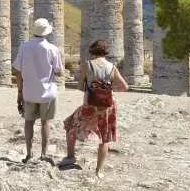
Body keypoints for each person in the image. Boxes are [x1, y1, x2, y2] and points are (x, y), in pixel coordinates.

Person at [60, 39, 128, 179]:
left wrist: (91, 90)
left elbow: (79, 86)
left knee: (71, 125)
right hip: (108, 105)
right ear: (106, 51)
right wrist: (109, 90)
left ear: (93, 51)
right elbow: (125, 87)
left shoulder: (88, 65)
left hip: (90, 104)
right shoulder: (112, 67)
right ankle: (99, 170)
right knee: (105, 137)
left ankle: (70, 156)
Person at [12, 18, 63, 163]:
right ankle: (44, 153)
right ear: (47, 32)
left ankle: (28, 154)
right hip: (47, 93)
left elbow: (18, 71)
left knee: (29, 122)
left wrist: (20, 92)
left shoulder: (23, 47)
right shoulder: (52, 49)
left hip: (28, 92)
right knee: (46, 122)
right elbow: (59, 72)